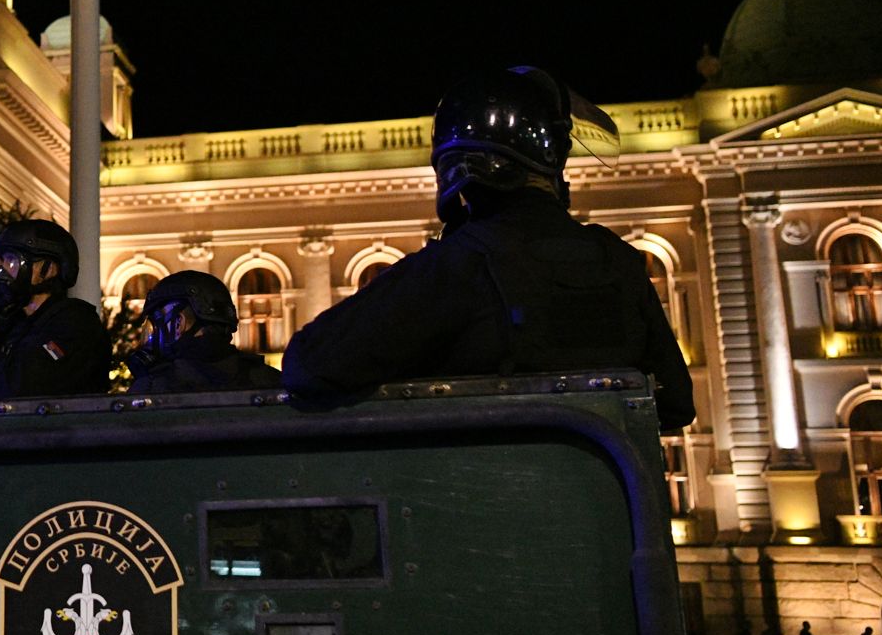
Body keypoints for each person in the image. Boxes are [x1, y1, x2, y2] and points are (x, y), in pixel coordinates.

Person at [281, 66, 695, 430]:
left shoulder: (458, 264)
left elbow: (311, 365)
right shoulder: (617, 259)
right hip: (615, 512)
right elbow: (675, 403)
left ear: (460, 166)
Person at [0, 218, 107, 399]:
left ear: (48, 270)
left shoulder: (76, 325)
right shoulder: (11, 328)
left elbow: (23, 386)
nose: (1, 271)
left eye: (11, 261)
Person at [125, 270, 281, 393]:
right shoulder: (272, 380)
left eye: (154, 327)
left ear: (178, 324)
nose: (151, 337)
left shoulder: (153, 387)